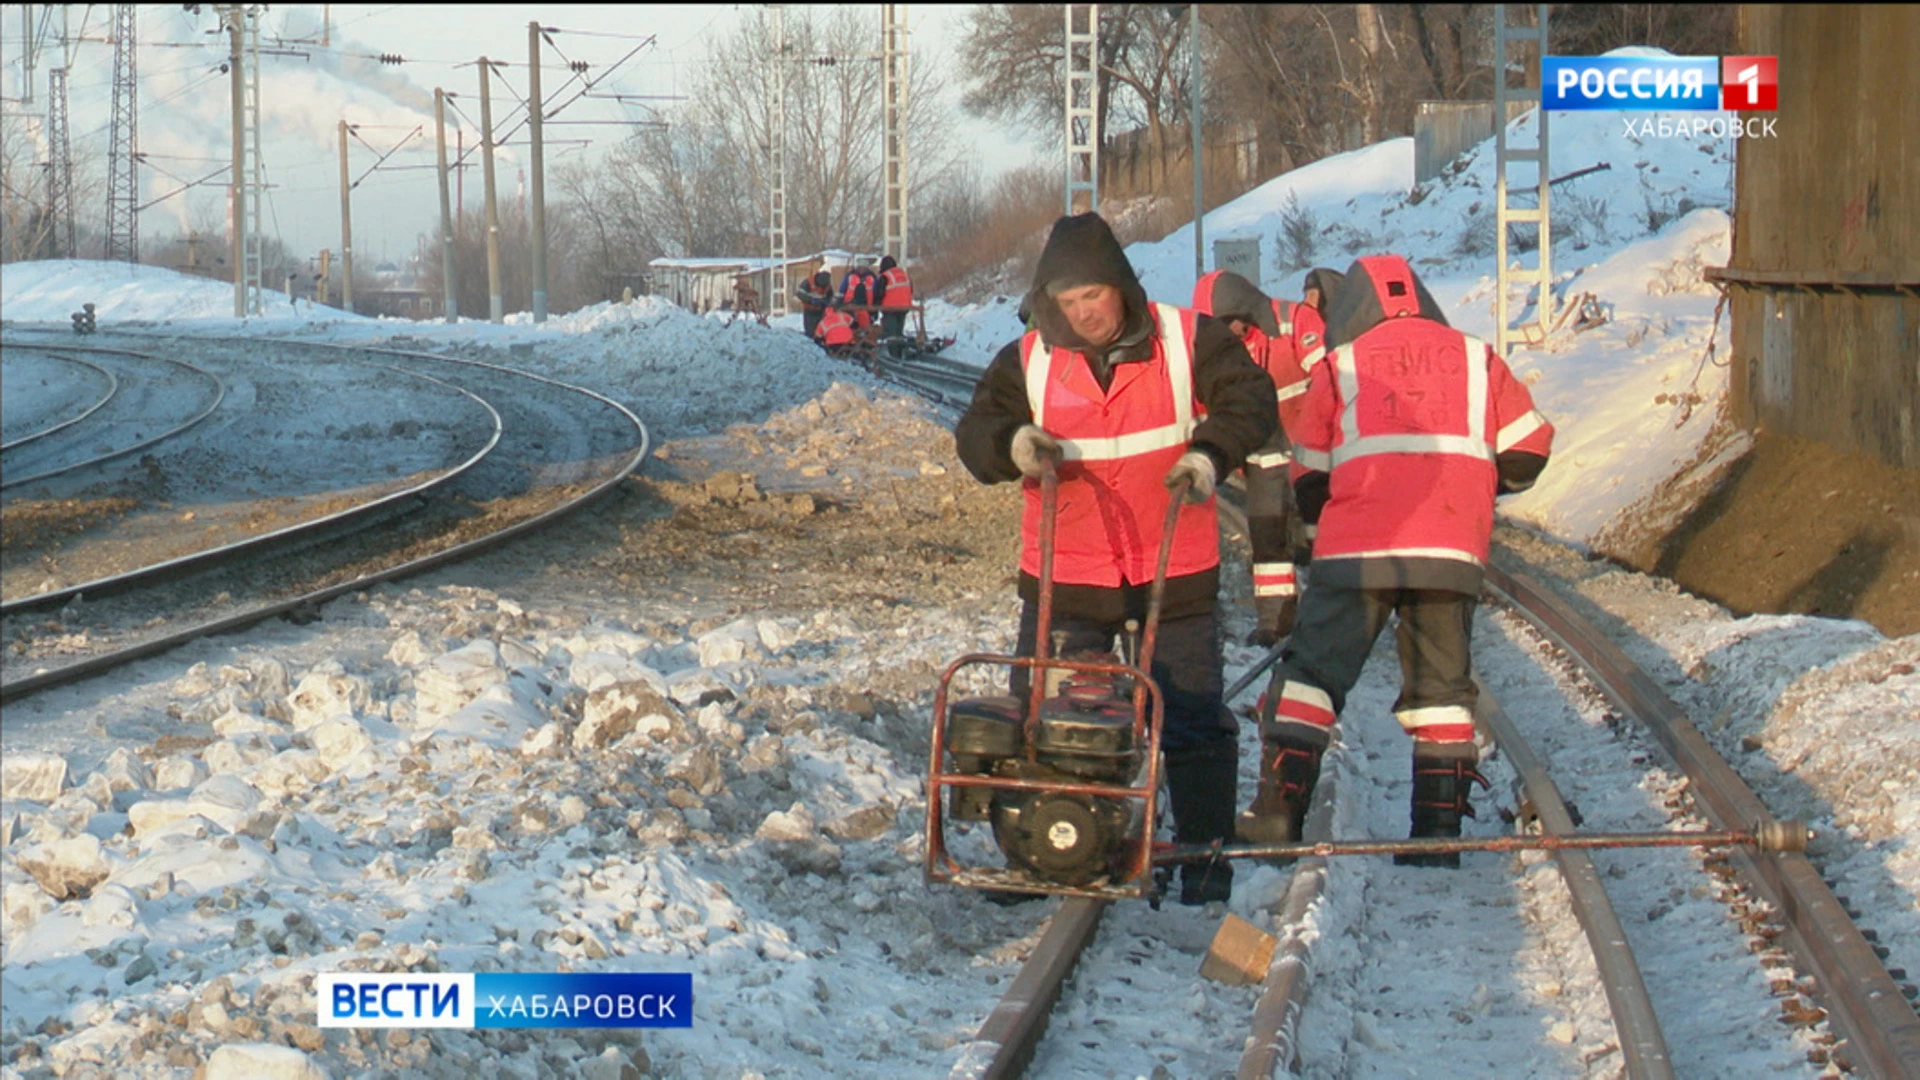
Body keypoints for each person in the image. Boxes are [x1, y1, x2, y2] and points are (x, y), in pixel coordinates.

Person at [954, 212, 1279, 905]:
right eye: (1068, 304)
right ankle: (1043, 849)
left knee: (1190, 715)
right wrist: (1011, 445)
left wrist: (1209, 453)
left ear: (1121, 287)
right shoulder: (1031, 358)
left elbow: (1251, 399)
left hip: (1173, 560)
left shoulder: (1189, 341)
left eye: (1093, 298)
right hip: (1067, 569)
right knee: (1045, 712)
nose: (1084, 315)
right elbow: (976, 431)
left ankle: (1202, 858)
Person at [1247, 254, 1554, 861]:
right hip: (1449, 549)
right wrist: (1471, 488)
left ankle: (1279, 818)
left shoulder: (1343, 363)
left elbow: (1308, 472)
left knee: (1311, 679)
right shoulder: (1476, 357)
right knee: (1442, 691)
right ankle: (1435, 837)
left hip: (1358, 552)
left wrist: (1330, 516)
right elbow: (1529, 449)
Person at [1190, 269, 1318, 649]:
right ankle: (1275, 621)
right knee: (1267, 538)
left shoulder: (1293, 323)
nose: (1228, 331)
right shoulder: (1211, 348)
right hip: (1264, 454)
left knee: (1323, 535)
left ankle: (1335, 615)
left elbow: (1331, 375)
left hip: (1313, 448)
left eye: (1231, 321)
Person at [876, 254, 914, 339]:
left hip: (890, 308)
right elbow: (911, 290)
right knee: (899, 331)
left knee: (890, 334)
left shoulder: (885, 276)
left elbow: (880, 293)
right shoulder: (905, 275)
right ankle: (900, 348)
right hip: (904, 307)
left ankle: (890, 350)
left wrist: (876, 304)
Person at [795, 270, 834, 339]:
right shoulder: (808, 282)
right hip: (809, 310)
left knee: (821, 332)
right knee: (810, 333)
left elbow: (830, 297)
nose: (821, 289)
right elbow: (799, 293)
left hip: (821, 310)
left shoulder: (828, 286)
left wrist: (826, 302)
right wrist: (811, 300)